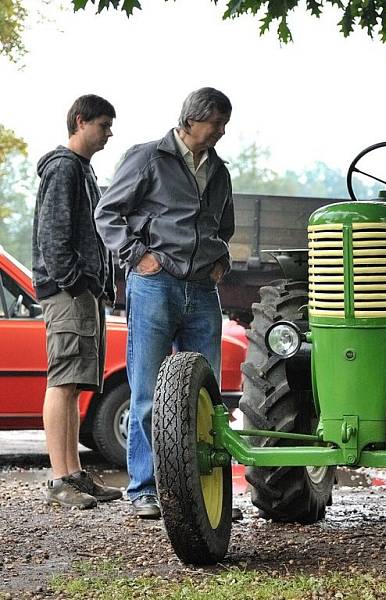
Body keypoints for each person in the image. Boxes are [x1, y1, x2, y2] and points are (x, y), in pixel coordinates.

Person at [95, 88, 235, 519]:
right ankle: (143, 489)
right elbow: (108, 213)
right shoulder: (148, 157)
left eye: (225, 124)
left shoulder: (219, 170)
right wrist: (139, 257)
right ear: (193, 120)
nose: (222, 132)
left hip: (202, 290)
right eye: (217, 123)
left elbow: (223, 225)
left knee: (204, 396)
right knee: (148, 392)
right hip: (155, 286)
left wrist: (220, 258)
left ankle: (200, 489)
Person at [33, 94, 123, 509]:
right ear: (80, 121)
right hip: (67, 291)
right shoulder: (63, 168)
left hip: (83, 292)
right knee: (63, 380)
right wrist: (73, 282)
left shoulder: (81, 170)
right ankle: (58, 482)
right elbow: (53, 236)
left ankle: (72, 475)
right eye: (103, 125)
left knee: (74, 386)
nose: (108, 133)